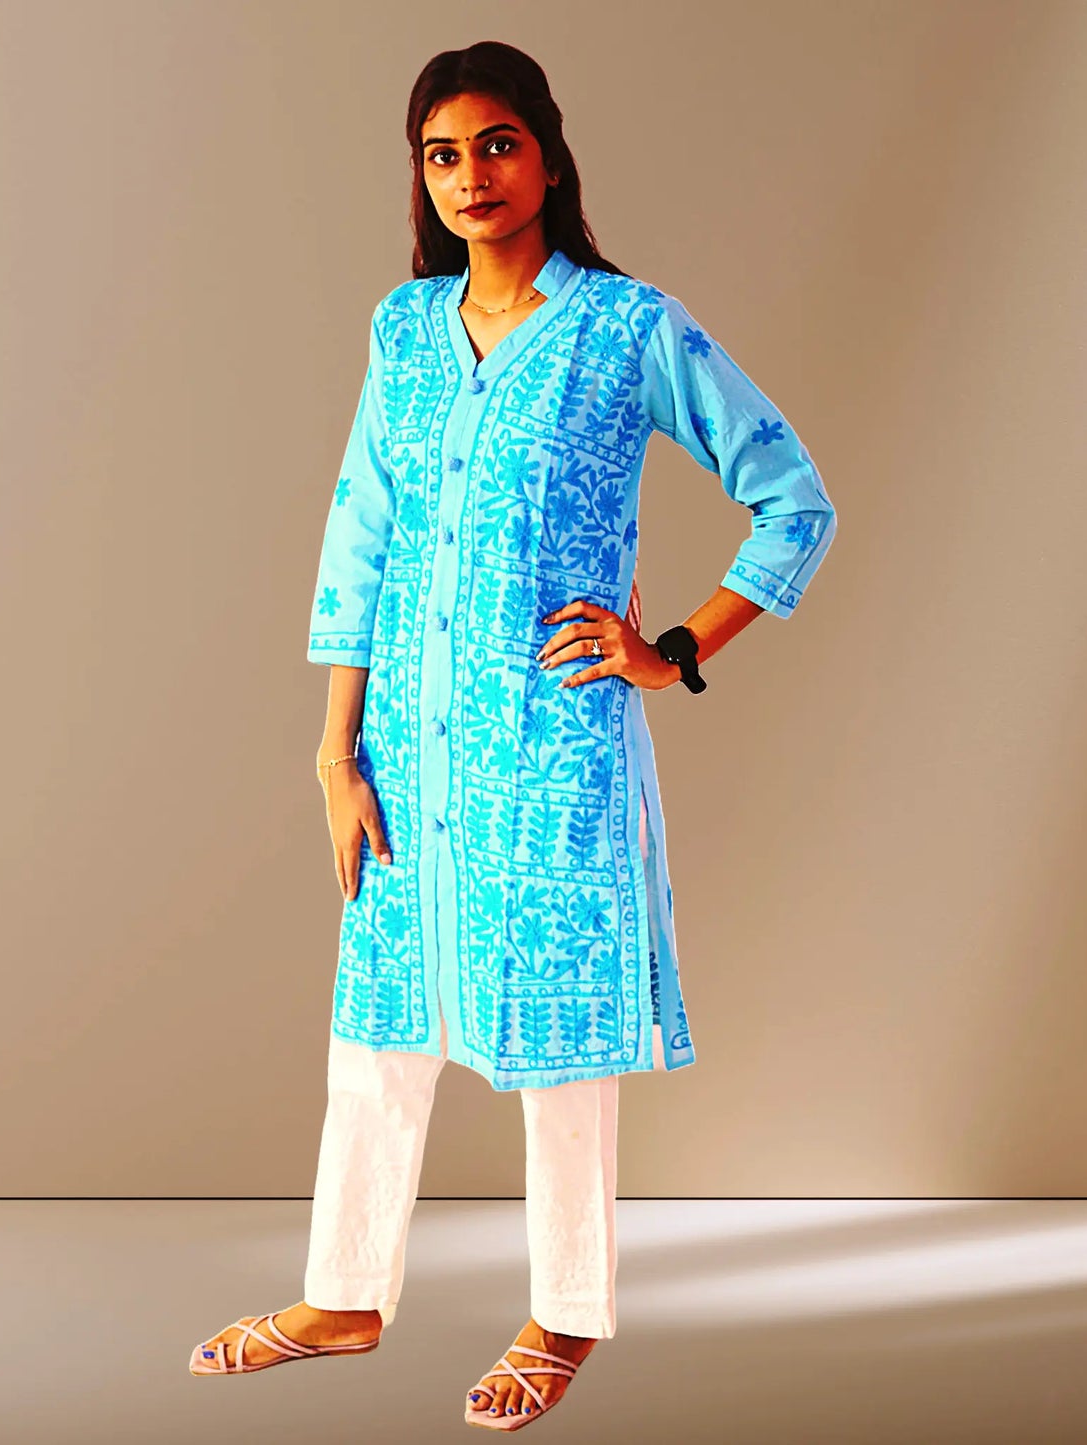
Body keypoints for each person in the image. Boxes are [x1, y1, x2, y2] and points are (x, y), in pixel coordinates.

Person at [189, 40, 837, 1430]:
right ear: (419, 177)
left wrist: (671, 650)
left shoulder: (626, 328)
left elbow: (793, 496)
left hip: (549, 748)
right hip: (405, 750)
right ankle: (344, 1296)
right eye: (442, 153)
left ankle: (566, 1314)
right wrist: (334, 750)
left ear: (547, 156)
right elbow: (362, 535)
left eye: (496, 144)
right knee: (377, 1034)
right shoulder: (405, 330)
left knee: (559, 1047)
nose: (470, 176)